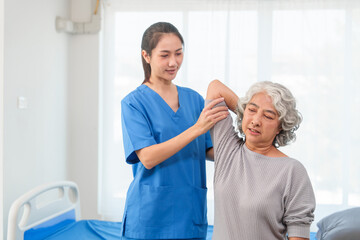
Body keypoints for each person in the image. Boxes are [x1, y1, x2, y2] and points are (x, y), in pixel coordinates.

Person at [120, 22, 228, 240]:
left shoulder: (194, 99)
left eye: (179, 54)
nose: (173, 62)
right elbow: (148, 157)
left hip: (189, 212)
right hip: (151, 216)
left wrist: (250, 148)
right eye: (164, 55)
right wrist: (197, 128)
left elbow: (207, 149)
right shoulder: (133, 103)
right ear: (146, 56)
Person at [205, 80, 316, 240]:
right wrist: (246, 115)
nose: (256, 121)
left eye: (268, 116)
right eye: (252, 110)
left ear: (280, 127)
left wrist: (251, 113)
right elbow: (216, 88)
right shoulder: (227, 149)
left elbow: (298, 234)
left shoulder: (292, 171)